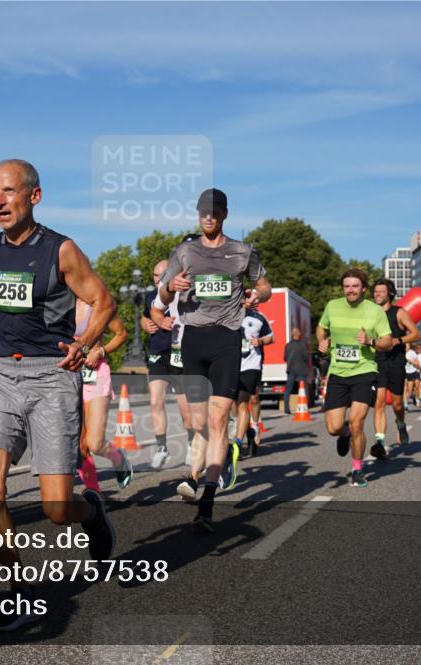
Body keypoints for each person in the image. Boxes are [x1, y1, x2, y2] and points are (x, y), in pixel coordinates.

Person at [0, 159, 116, 630]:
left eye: (9, 191)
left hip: (53, 376)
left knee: (57, 508)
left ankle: (91, 511)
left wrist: (83, 345)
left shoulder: (61, 250)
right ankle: (20, 588)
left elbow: (104, 301)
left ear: (33, 196)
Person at [157, 188, 271, 531]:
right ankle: (206, 470)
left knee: (219, 419)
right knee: (196, 421)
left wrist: (256, 294)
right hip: (193, 340)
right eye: (203, 212)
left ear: (224, 214)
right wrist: (170, 286)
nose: (208, 217)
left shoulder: (241, 252)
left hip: (225, 338)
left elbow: (264, 286)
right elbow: (162, 294)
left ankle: (205, 496)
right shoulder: (184, 251)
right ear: (197, 214)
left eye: (215, 212)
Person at [316, 269, 393, 488]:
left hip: (364, 371)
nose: (350, 290)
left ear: (363, 289)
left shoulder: (374, 311)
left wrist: (370, 341)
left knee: (357, 422)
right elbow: (321, 329)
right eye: (347, 286)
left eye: (355, 286)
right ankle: (344, 433)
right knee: (334, 427)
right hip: (338, 372)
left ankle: (357, 469)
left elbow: (387, 341)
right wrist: (323, 342)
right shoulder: (332, 306)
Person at [74, 302, 132, 492]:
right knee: (80, 445)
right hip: (69, 376)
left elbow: (121, 334)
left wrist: (100, 351)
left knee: (95, 443)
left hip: (95, 374)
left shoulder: (97, 302)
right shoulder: (58, 301)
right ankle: (95, 495)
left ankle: (118, 457)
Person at [142, 259, 193, 470]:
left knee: (185, 408)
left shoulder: (181, 295)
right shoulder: (150, 297)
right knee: (155, 401)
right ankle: (162, 448)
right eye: (154, 276)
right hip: (158, 353)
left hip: (180, 353)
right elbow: (145, 317)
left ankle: (191, 443)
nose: (157, 280)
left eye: (161, 276)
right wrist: (145, 324)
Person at [370, 278, 419, 457]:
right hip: (377, 361)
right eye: (375, 291)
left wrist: (397, 340)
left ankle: (400, 423)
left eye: (380, 291)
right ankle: (380, 443)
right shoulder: (371, 313)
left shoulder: (399, 312)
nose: (377, 294)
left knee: (397, 404)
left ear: (390, 293)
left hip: (396, 362)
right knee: (379, 402)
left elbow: (415, 333)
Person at [235, 303, 274, 458]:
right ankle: (248, 432)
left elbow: (272, 337)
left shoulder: (259, 317)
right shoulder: (227, 314)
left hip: (252, 365)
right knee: (233, 404)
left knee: (251, 398)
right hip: (232, 365)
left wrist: (261, 341)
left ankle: (253, 428)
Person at [283, 327, 310, 416]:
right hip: (301, 370)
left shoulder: (288, 345)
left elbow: (285, 358)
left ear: (292, 334)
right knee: (303, 390)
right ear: (299, 334)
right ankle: (305, 406)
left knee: (288, 390)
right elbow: (306, 357)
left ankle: (287, 408)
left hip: (291, 370)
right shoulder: (302, 345)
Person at [404, 342, 421, 407]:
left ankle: (417, 400)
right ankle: (409, 401)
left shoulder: (412, 353)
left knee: (416, 387)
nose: (406, 347)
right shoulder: (401, 353)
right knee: (407, 390)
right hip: (406, 372)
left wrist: (411, 361)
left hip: (414, 371)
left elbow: (417, 363)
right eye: (405, 346)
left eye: (407, 346)